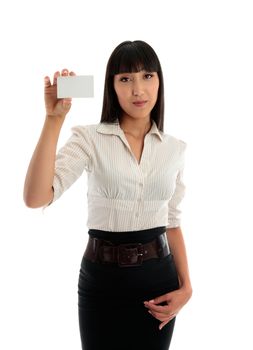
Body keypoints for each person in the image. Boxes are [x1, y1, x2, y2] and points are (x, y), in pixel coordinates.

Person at [23, 40, 192, 350]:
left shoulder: (175, 149)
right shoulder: (90, 138)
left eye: (147, 76)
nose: (138, 89)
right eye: (125, 79)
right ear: (111, 86)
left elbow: (172, 222)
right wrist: (53, 120)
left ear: (160, 81)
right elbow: (36, 197)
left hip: (158, 283)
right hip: (102, 282)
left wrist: (187, 287)